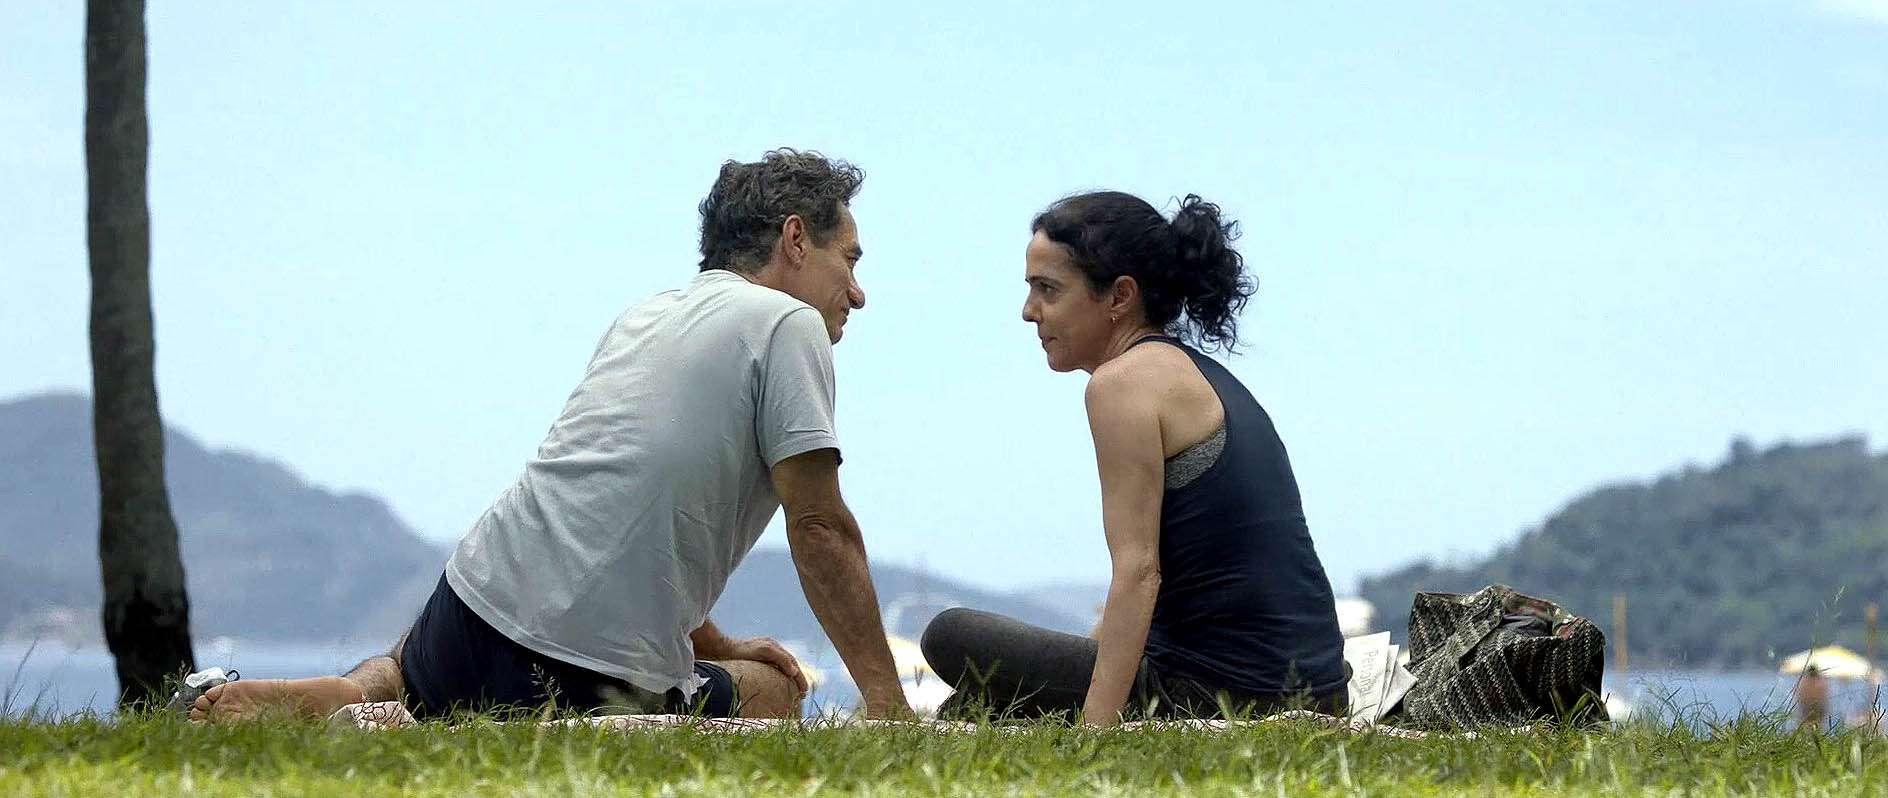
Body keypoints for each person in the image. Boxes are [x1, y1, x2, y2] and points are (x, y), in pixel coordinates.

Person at [190, 149, 912, 722]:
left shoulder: (645, 318)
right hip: (586, 675)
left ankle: (359, 696)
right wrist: (889, 707)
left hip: (467, 611)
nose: (857, 293)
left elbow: (620, 507)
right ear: (794, 239)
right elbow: (819, 528)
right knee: (775, 690)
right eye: (849, 260)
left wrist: (718, 641)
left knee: (406, 671)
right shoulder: (788, 323)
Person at [920, 191, 1348, 724]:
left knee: (950, 635)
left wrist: (1096, 729)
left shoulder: (1121, 383)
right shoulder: (1197, 373)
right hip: (1317, 691)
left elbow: (1139, 571)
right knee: (976, 703)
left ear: (1120, 296)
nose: (1029, 311)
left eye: (1047, 289)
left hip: (1225, 693)